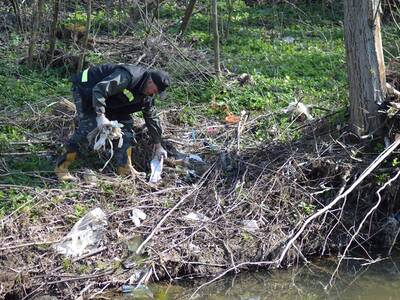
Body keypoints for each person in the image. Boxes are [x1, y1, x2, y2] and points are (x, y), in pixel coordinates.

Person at [55, 63, 170, 181]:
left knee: (127, 129)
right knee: (89, 128)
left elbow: (152, 118)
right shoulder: (127, 76)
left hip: (110, 101)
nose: (153, 94)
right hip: (87, 90)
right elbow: (99, 89)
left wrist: (158, 146)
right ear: (150, 81)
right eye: (154, 90)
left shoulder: (147, 95)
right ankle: (61, 167)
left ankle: (125, 168)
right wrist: (100, 116)